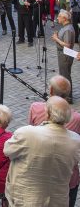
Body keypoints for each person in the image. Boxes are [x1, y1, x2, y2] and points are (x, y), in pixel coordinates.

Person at [4, 96, 80, 206]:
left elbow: (7, 150)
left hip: (26, 200)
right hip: (58, 202)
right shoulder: (76, 140)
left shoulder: (26, 133)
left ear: (48, 114)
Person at [28, 75, 80, 206]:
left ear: (50, 90)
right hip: (66, 176)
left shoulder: (35, 108)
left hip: (39, 175)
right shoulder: (77, 118)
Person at [51, 9, 75, 102]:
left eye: (59, 16)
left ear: (64, 18)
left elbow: (67, 44)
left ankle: (68, 97)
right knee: (63, 74)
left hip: (65, 55)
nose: (58, 18)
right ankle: (65, 94)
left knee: (65, 76)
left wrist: (56, 39)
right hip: (62, 54)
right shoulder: (65, 27)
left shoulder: (68, 29)